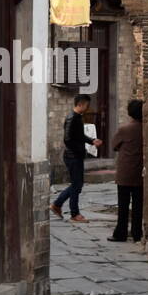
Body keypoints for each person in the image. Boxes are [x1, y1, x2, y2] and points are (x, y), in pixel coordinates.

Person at [51, 93, 100, 222]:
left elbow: (79, 135)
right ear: (81, 104)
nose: (88, 108)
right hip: (73, 157)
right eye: (87, 105)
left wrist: (92, 141)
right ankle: (73, 212)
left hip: (75, 155)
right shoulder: (72, 118)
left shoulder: (77, 117)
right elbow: (67, 139)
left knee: (77, 184)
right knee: (77, 185)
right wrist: (78, 149)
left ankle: (58, 205)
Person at [109, 99, 144, 242]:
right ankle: (137, 233)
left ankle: (120, 233)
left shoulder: (124, 129)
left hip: (124, 173)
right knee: (138, 205)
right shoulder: (146, 129)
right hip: (140, 173)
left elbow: (114, 145)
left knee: (123, 205)